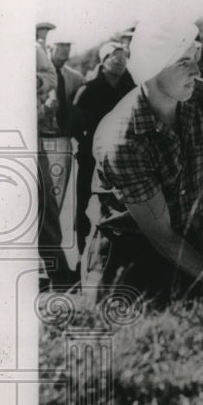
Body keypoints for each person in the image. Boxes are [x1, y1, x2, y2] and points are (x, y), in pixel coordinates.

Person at [82, 19, 203, 305]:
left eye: (195, 59)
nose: (197, 71)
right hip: (126, 257)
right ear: (151, 70)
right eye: (183, 63)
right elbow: (161, 235)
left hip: (187, 246)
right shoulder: (121, 137)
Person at [71, 41, 136, 254]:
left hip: (122, 158)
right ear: (103, 61)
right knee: (85, 200)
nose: (119, 61)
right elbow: (75, 125)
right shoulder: (88, 90)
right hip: (91, 156)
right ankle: (83, 249)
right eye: (113, 57)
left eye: (123, 57)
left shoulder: (131, 90)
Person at [35, 24, 84, 286]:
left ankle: (57, 274)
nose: (64, 49)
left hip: (49, 139)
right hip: (33, 134)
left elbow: (49, 78)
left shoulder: (72, 76)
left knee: (49, 200)